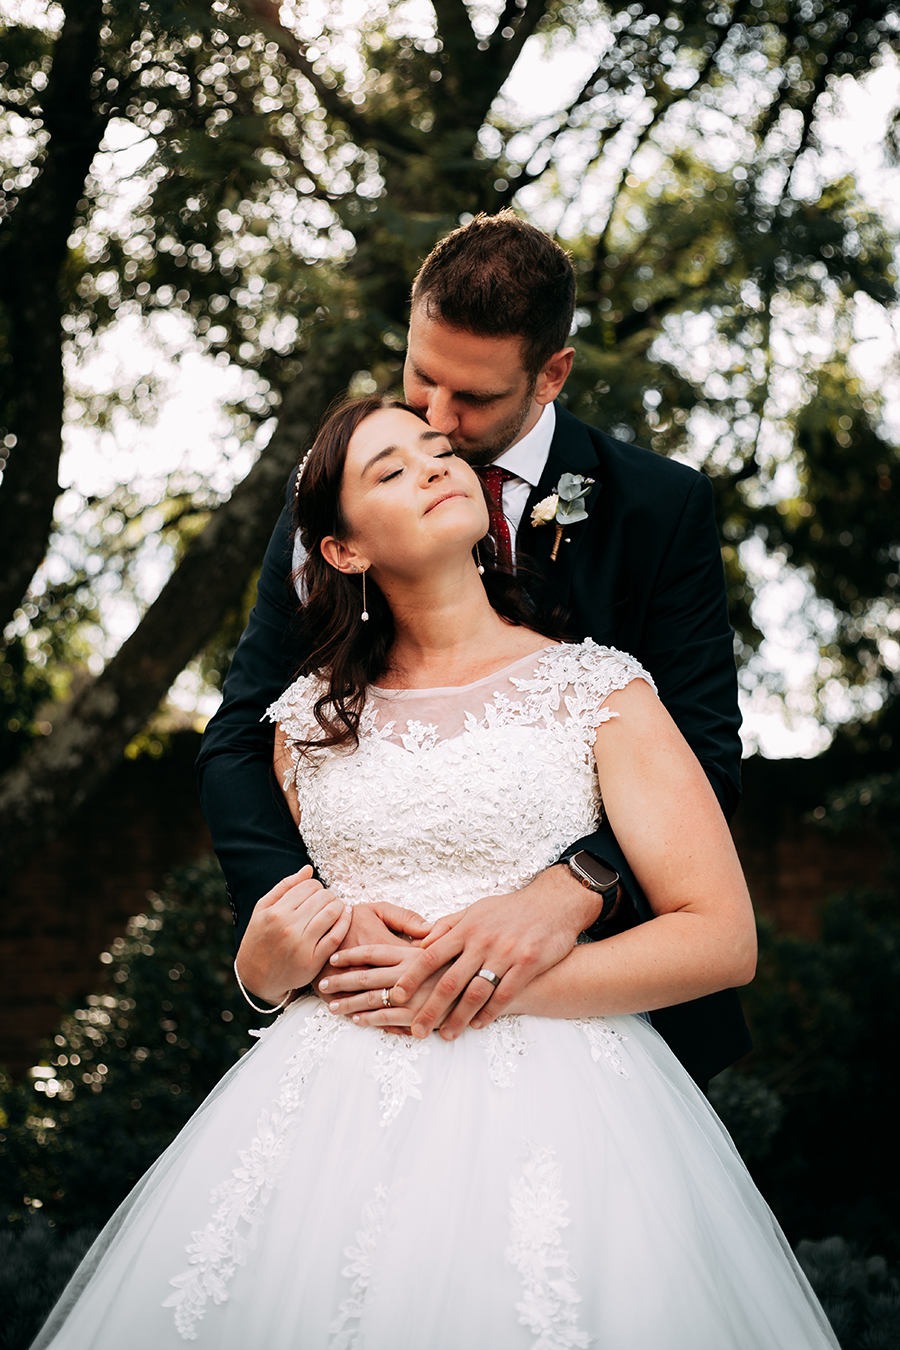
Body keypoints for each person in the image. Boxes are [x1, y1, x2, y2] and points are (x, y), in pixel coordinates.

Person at [33, 397, 838, 1349]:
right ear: (343, 551)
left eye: (437, 450)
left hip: (569, 1114)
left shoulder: (600, 690)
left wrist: (485, 985)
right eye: (389, 469)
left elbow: (720, 937)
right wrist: (262, 968)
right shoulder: (305, 723)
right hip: (323, 1124)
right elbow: (289, 961)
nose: (434, 464)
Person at [197, 211, 749, 1089]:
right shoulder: (334, 506)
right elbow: (239, 739)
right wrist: (315, 923)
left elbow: (705, 756)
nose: (439, 423)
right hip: (358, 1029)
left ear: (551, 373)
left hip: (595, 1032)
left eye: (477, 399)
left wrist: (572, 892)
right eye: (422, 377)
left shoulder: (658, 509)